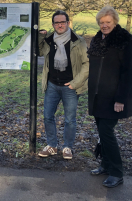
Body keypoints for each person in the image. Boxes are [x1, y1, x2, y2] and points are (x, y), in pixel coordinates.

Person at [87, 6, 132, 188]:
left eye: (108, 22)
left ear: (115, 21)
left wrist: (120, 99)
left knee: (106, 133)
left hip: (114, 97)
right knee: (102, 133)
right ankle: (105, 165)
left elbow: (129, 71)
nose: (104, 25)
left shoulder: (123, 40)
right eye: (101, 22)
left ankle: (117, 172)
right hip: (97, 96)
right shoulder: (97, 39)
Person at [38, 10, 89, 160]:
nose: (60, 25)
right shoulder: (48, 39)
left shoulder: (78, 41)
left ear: (68, 23)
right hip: (52, 85)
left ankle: (67, 147)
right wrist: (41, 35)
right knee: (47, 116)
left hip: (70, 87)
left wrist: (76, 83)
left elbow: (87, 64)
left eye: (62, 22)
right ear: (53, 24)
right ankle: (52, 145)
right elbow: (39, 51)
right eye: (56, 22)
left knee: (69, 119)